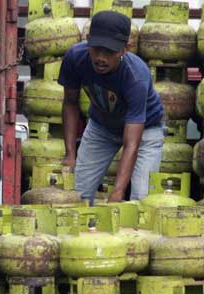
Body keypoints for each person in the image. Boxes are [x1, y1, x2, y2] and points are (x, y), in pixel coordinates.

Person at [58, 10, 164, 203]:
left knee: (140, 200)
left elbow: (132, 143)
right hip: (101, 125)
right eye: (96, 48)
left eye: (110, 51)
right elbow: (70, 103)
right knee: (78, 195)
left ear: (125, 49)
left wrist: (118, 192)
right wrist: (70, 153)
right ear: (88, 41)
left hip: (146, 129)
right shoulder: (75, 57)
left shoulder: (136, 76)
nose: (101, 57)